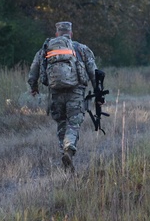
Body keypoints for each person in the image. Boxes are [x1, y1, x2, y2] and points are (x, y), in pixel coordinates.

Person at [27, 21, 98, 173]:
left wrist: (33, 87)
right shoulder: (81, 48)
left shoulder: (45, 48)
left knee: (61, 124)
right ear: (71, 34)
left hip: (55, 93)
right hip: (76, 92)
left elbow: (34, 70)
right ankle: (69, 148)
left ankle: (64, 156)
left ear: (57, 34)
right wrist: (98, 92)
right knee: (73, 123)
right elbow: (93, 71)